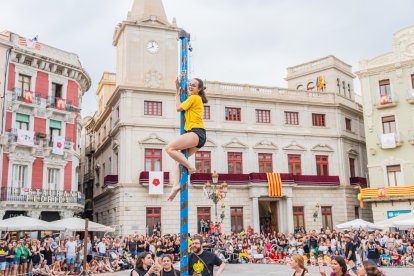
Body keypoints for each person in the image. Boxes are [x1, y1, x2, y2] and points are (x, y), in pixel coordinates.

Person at [167, 77, 208, 201]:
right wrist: (178, 89)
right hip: (198, 135)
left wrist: (177, 92)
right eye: (189, 84)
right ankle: (175, 185)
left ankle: (191, 167)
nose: (190, 86)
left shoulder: (194, 98)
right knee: (178, 159)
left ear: (199, 89)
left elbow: (178, 108)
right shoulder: (195, 98)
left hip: (196, 132)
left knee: (169, 148)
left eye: (193, 85)